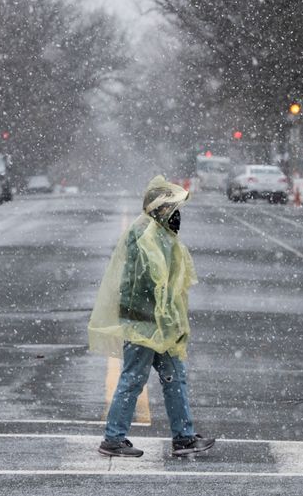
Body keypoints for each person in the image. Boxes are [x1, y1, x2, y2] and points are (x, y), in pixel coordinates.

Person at [88, 175, 215, 458]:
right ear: (160, 209)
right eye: (172, 209)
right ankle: (113, 439)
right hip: (145, 323)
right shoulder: (146, 234)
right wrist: (164, 320)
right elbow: (149, 285)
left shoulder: (158, 233)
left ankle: (183, 437)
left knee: (174, 377)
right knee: (134, 378)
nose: (177, 215)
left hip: (157, 324)